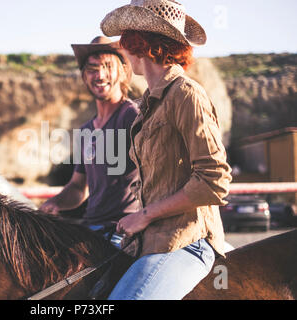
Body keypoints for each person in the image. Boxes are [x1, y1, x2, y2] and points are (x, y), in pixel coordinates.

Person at [100, 0, 232, 299]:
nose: (121, 48)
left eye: (125, 40)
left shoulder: (186, 95)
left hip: (187, 241)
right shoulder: (150, 103)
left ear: (140, 42)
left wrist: (144, 215)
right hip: (151, 242)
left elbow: (215, 181)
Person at [40, 36, 140, 229]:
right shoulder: (86, 131)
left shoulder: (132, 116)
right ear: (84, 76)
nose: (100, 75)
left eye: (108, 66)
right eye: (92, 69)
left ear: (122, 71)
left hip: (123, 231)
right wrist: (55, 202)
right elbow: (78, 187)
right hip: (91, 228)